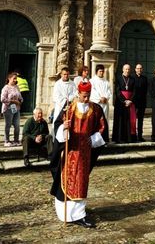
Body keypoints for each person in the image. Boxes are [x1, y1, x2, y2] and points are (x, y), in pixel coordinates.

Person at [50, 81, 106, 228]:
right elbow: (57, 125)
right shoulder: (69, 108)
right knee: (66, 182)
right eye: (84, 96)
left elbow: (103, 128)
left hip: (85, 154)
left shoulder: (96, 109)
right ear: (78, 93)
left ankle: (79, 215)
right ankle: (65, 214)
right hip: (69, 152)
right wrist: (64, 128)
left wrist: (93, 139)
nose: (86, 99)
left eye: (88, 96)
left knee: (81, 183)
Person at [112, 64, 136, 143]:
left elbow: (134, 91)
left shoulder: (132, 79)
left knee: (128, 121)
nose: (127, 71)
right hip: (120, 102)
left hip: (129, 102)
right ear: (123, 70)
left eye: (128, 69)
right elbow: (117, 91)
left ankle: (128, 138)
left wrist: (130, 100)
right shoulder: (118, 78)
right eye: (126, 69)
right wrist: (124, 101)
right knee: (120, 120)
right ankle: (118, 138)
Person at [0, 72, 23, 147]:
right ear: (9, 79)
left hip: (16, 108)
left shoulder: (17, 87)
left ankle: (16, 140)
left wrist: (20, 101)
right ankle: (6, 140)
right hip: (8, 108)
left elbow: (20, 97)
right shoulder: (6, 88)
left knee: (17, 125)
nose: (15, 80)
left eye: (16, 78)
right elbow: (2, 99)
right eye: (14, 78)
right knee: (8, 124)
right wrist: (12, 101)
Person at [134, 63, 148, 142]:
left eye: (140, 68)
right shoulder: (132, 78)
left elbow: (145, 90)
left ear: (142, 70)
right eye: (138, 68)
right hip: (134, 102)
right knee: (133, 120)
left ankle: (140, 136)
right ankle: (133, 135)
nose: (139, 70)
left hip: (142, 102)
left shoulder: (144, 78)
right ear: (135, 69)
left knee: (140, 120)